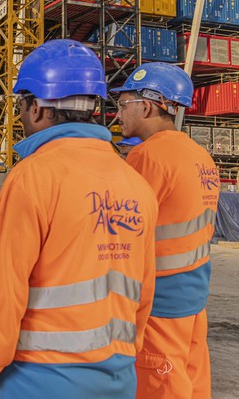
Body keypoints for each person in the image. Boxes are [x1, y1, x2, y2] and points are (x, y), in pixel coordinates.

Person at [0, 39, 159, 399]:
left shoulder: (33, 177)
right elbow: (143, 297)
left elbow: (4, 298)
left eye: (20, 106)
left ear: (35, 108)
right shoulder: (136, 184)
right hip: (119, 380)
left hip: (39, 382)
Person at [113, 62, 218, 399]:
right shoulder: (200, 155)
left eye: (122, 104)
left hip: (160, 300)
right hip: (193, 296)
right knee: (191, 381)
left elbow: (123, 231)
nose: (118, 114)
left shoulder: (148, 157)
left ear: (146, 105)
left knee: (161, 385)